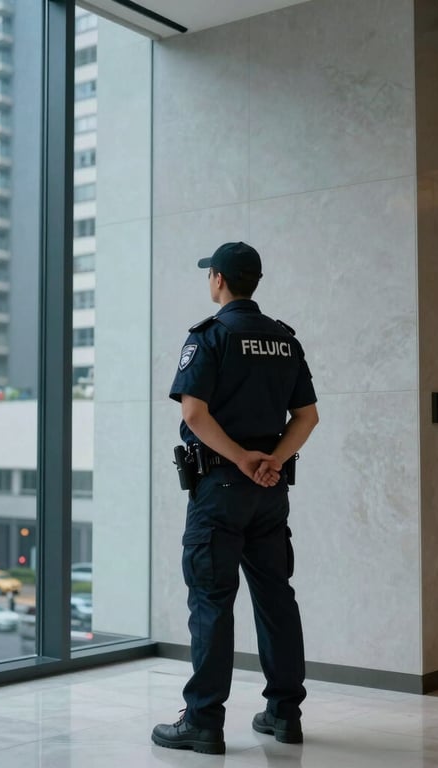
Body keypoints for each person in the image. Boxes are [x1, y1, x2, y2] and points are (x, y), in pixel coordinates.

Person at [151, 241, 319, 755]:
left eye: (210, 275)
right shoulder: (285, 340)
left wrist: (243, 458)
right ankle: (285, 713)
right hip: (270, 493)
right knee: (276, 599)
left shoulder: (210, 336)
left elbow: (194, 414)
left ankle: (203, 721)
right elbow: (307, 416)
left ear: (219, 279)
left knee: (211, 601)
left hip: (220, 490)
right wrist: (271, 461)